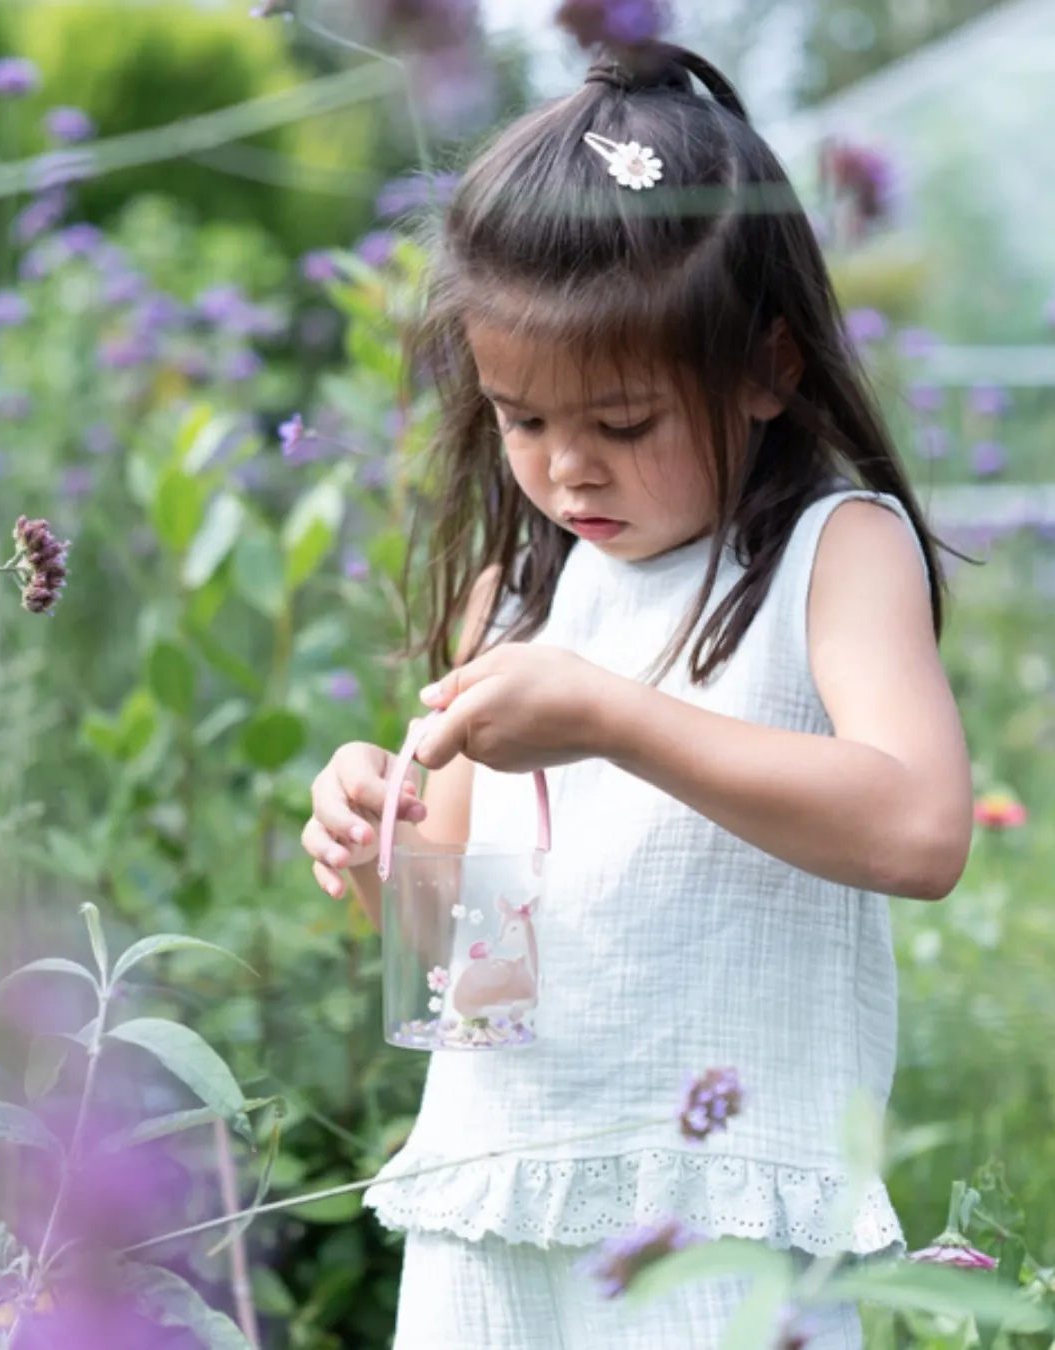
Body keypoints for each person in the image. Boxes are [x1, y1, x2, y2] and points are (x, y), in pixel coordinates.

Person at [301, 38, 973, 1350]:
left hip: (716, 1210)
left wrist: (615, 719)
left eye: (621, 425)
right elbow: (468, 976)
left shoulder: (830, 556)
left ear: (767, 368)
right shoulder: (514, 595)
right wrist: (378, 842)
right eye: (521, 418)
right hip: (501, 1195)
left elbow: (918, 828)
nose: (566, 473)